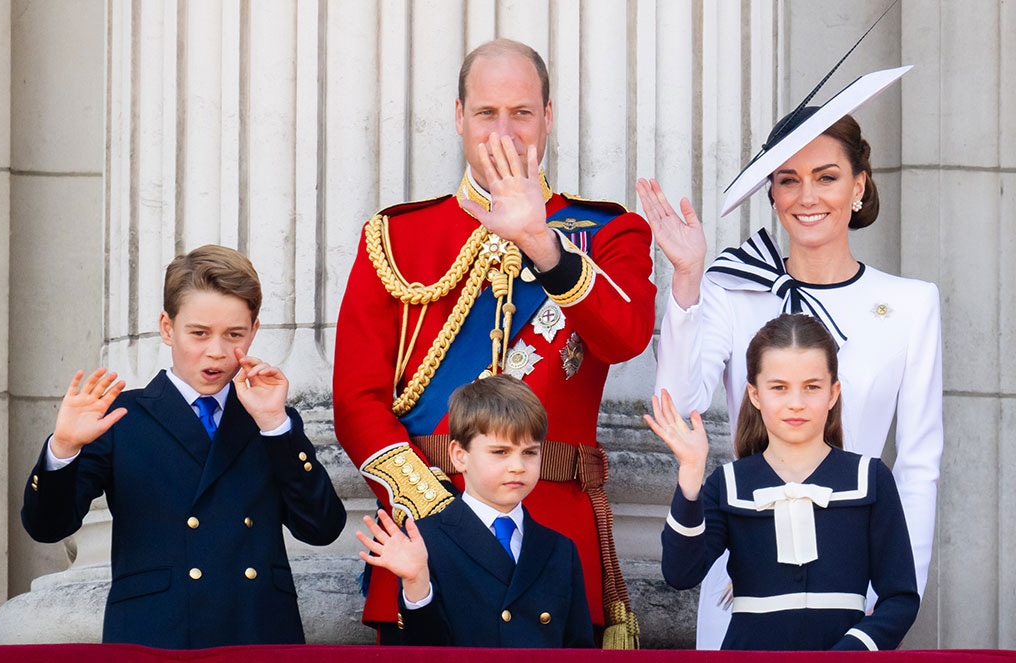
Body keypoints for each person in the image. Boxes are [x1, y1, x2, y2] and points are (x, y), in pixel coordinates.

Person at [333, 38, 654, 647]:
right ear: (458, 117)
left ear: (549, 116)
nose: (504, 133)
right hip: (421, 535)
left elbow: (626, 336)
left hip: (553, 537)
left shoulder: (608, 232)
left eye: (522, 113)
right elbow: (354, 401)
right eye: (486, 113)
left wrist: (543, 245)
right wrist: (439, 516)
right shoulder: (396, 237)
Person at [637, 68, 942, 648]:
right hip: (744, 578)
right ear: (771, 193)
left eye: (827, 177)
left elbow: (919, 465)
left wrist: (892, 600)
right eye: (788, 179)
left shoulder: (910, 304)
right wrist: (685, 283)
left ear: (858, 186)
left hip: (855, 587)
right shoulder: (732, 288)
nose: (807, 197)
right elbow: (680, 404)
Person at [21, 245, 347, 649]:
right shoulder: (120, 417)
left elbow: (323, 528)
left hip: (256, 632)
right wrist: (64, 448)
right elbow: (47, 526)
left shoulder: (270, 419)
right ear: (166, 327)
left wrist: (276, 426)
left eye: (234, 335)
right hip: (157, 635)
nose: (216, 351)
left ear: (254, 331)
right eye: (199, 333)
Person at [649, 313, 920, 650]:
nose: (796, 403)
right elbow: (680, 574)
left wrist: (851, 653)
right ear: (755, 394)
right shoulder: (729, 484)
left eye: (812, 387)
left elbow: (901, 598)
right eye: (779, 388)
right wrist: (690, 473)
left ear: (833, 393)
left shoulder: (870, 478)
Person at [356, 375, 594, 648]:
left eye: (529, 453)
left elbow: (579, 650)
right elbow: (423, 650)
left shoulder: (560, 550)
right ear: (460, 455)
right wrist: (416, 583)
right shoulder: (425, 540)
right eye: (500, 452)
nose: (517, 466)